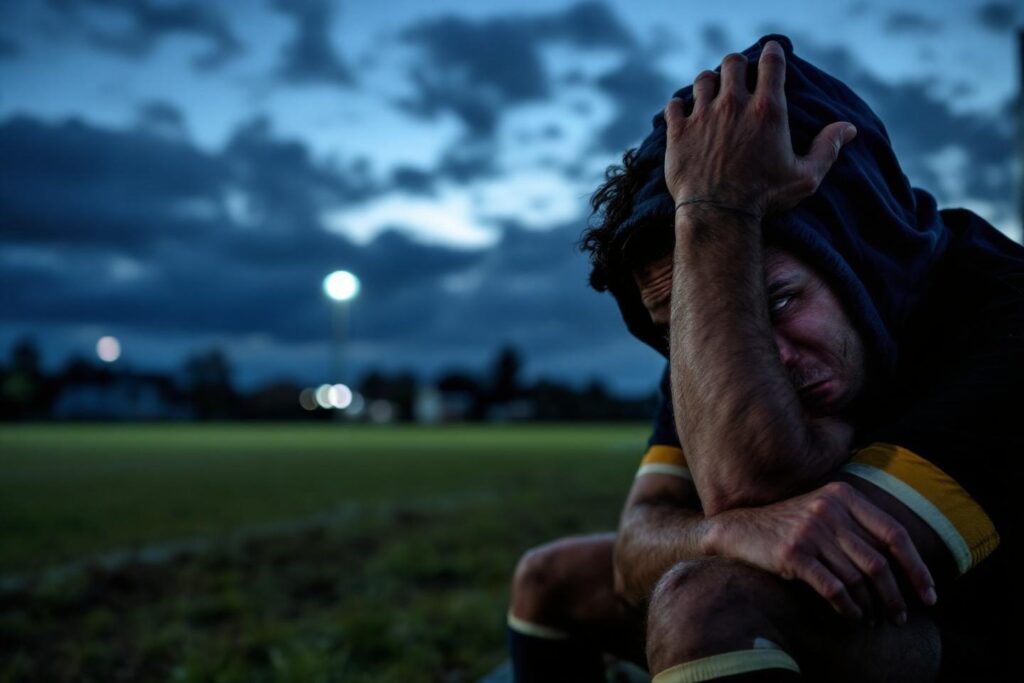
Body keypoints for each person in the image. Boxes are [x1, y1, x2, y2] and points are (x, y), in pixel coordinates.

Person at [507, 34, 1023, 682]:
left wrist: (716, 206)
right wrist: (723, 531)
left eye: (778, 300)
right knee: (550, 578)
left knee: (710, 604)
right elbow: (636, 546)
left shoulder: (1002, 310)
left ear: (858, 250)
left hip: (976, 633)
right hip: (876, 626)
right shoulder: (716, 330)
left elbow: (752, 483)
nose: (766, 356)